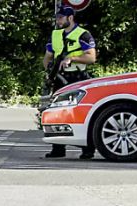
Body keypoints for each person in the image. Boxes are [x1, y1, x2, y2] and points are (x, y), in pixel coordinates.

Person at [42, 6, 97, 159]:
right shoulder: (55, 34)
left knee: (81, 112)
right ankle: (58, 148)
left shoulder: (83, 34)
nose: (58, 21)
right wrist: (48, 70)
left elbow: (91, 58)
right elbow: (48, 56)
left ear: (70, 18)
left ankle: (87, 149)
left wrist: (72, 58)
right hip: (60, 78)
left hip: (78, 77)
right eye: (57, 18)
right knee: (57, 113)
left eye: (61, 18)